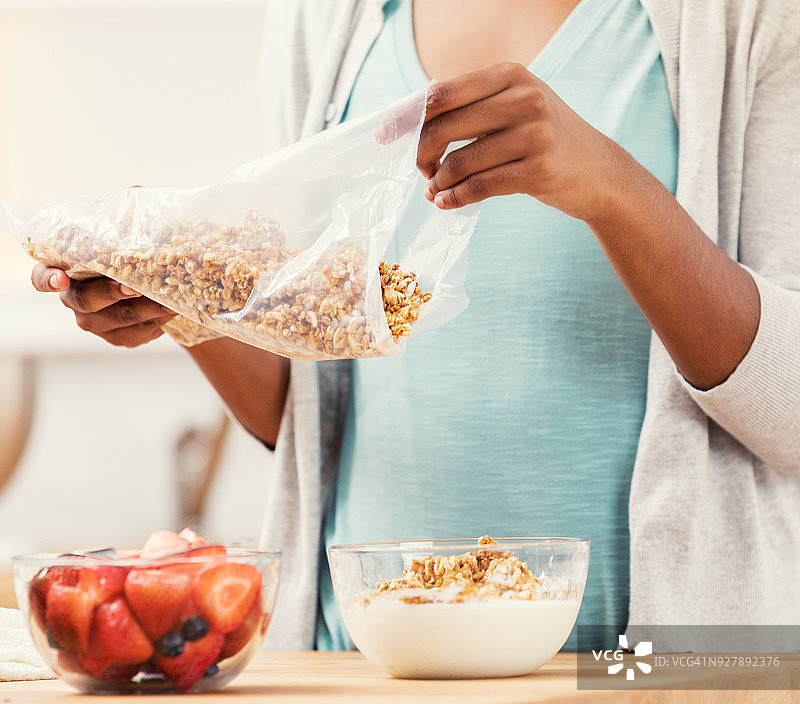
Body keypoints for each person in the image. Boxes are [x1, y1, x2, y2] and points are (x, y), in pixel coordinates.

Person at [31, 0, 800, 652]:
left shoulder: (746, 19)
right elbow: (310, 414)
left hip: (654, 678)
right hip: (366, 673)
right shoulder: (323, 21)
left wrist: (614, 189)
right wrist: (182, 291)